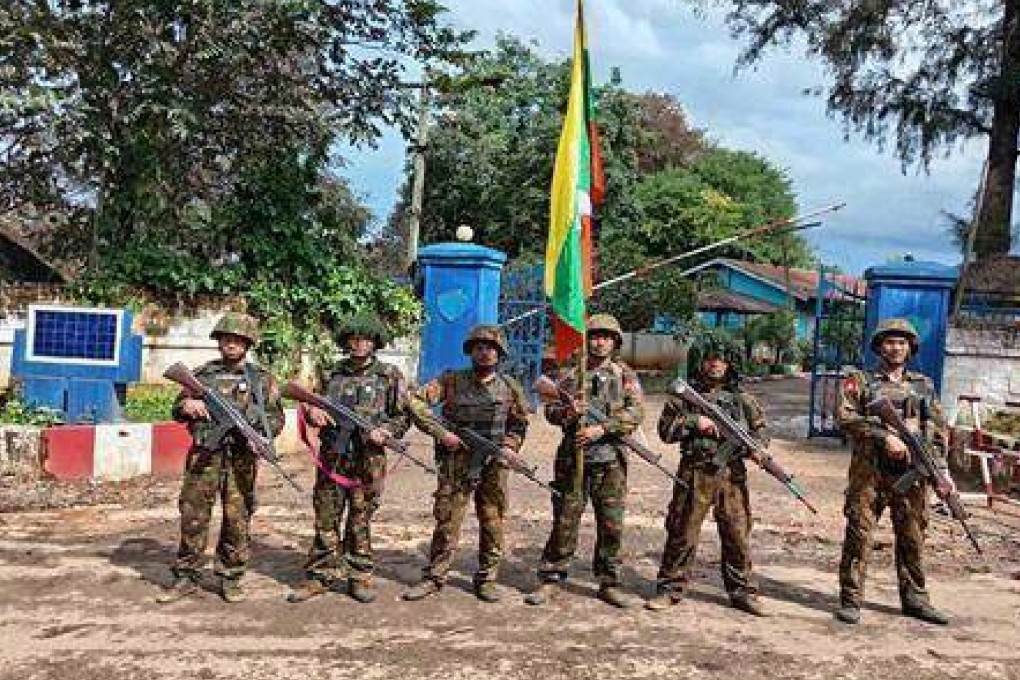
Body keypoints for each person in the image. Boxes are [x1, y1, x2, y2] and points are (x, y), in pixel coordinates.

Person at [157, 312, 284, 603]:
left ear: (248, 343)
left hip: (241, 458)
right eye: (226, 339)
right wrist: (187, 405)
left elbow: (276, 419)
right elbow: (177, 408)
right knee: (193, 516)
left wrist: (261, 438)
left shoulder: (262, 379)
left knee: (237, 518)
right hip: (205, 455)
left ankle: (230, 576)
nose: (231, 344)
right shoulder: (201, 375)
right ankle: (186, 576)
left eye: (238, 340)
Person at [834, 318, 951, 625]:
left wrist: (940, 470)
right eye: (889, 342)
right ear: (879, 346)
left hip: (911, 474)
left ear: (910, 348)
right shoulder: (859, 380)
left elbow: (938, 431)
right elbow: (844, 418)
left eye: (901, 343)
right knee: (859, 535)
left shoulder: (923, 385)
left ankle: (916, 600)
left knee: (913, 537)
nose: (895, 348)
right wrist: (884, 436)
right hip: (869, 474)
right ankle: (851, 600)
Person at [401, 325, 530, 603]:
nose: (485, 353)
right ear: (470, 352)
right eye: (479, 348)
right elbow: (414, 402)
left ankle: (487, 579)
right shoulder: (451, 381)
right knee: (447, 520)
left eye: (491, 348)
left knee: (492, 520)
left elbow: (519, 423)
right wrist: (441, 433)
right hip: (456, 462)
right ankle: (435, 577)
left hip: (493, 463)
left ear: (500, 353)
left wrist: (509, 447)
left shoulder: (510, 386)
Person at [287, 314, 410, 604]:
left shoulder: (389, 375)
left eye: (365, 338)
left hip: (369, 458)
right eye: (353, 338)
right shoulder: (330, 373)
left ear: (375, 342)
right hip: (333, 455)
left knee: (360, 518)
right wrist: (312, 412)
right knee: (326, 516)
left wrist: (386, 431)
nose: (358, 344)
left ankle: (359, 576)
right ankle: (320, 575)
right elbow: (307, 403)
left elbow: (403, 416)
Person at [524, 314, 644, 608]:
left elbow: (636, 413)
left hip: (610, 460)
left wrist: (602, 428)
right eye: (595, 336)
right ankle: (551, 578)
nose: (600, 342)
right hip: (573, 458)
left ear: (615, 342)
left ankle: (609, 582)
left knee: (611, 524)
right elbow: (550, 411)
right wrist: (569, 412)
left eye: (606, 337)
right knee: (565, 520)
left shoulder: (624, 375)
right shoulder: (571, 374)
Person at [645, 338, 768, 616]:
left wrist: (757, 449)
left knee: (737, 534)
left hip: (731, 476)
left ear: (730, 363)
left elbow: (761, 432)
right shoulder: (684, 396)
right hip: (695, 472)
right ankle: (670, 589)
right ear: (700, 362)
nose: (716, 364)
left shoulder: (743, 399)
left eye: (721, 359)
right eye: (710, 359)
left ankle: (743, 592)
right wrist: (694, 421)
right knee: (682, 532)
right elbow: (665, 431)